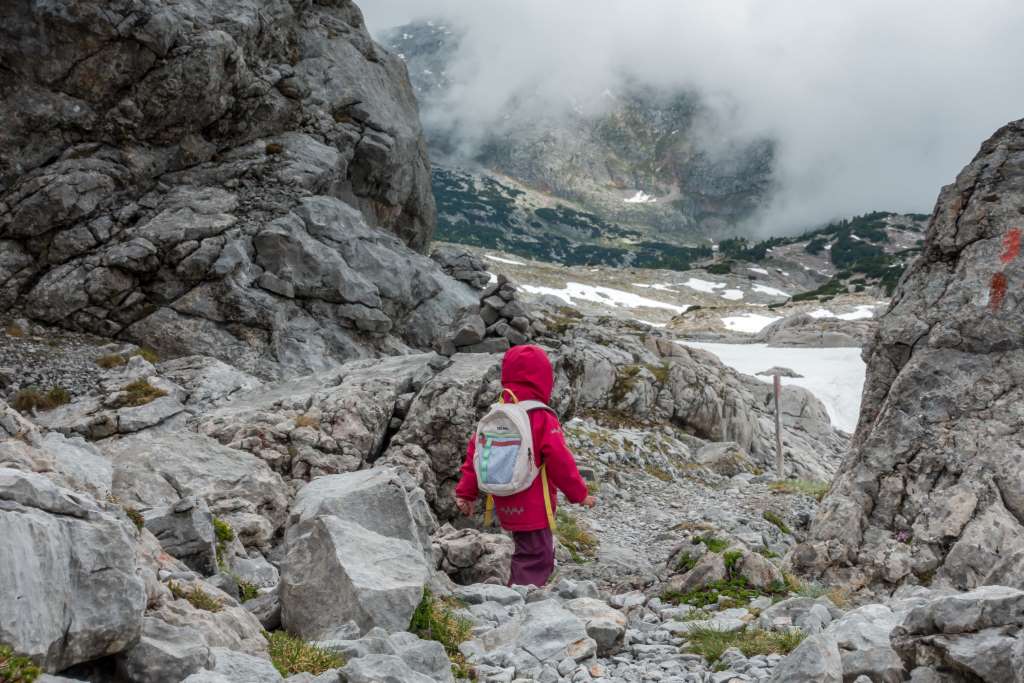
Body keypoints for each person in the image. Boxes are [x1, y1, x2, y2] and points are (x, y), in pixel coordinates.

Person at [454, 344, 596, 587]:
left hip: (503, 497)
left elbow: (474, 454)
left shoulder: (499, 412)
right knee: (536, 553)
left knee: (524, 546)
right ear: (543, 379)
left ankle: (515, 589)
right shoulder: (541, 416)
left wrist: (466, 493)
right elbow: (560, 460)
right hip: (533, 504)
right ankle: (521, 596)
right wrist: (579, 494)